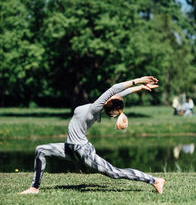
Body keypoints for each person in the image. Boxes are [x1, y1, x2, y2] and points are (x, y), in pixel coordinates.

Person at [20, 76, 165, 195]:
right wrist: (139, 88)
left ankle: (154, 180)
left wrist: (139, 80)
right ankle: (34, 188)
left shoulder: (94, 108)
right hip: (70, 148)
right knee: (40, 150)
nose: (117, 97)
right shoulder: (100, 106)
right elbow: (118, 94)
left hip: (82, 150)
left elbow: (114, 90)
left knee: (113, 172)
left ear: (107, 102)